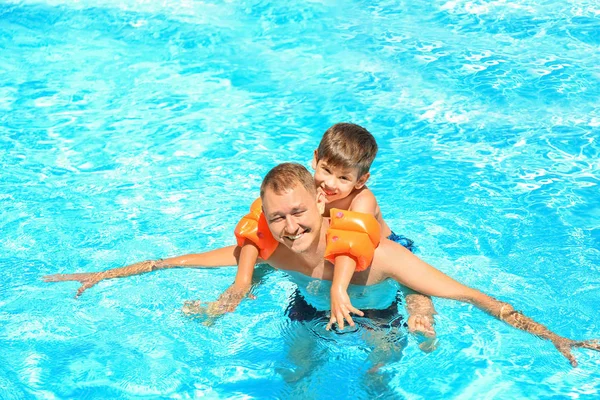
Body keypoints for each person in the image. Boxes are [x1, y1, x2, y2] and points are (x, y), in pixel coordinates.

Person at [44, 163, 600, 366]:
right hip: (308, 309)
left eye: (299, 212)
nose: (290, 226)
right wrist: (106, 274)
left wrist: (555, 338)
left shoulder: (379, 256)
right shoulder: (275, 250)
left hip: (379, 316)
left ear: (321, 204)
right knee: (297, 372)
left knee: (380, 376)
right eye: (277, 216)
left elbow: (476, 296)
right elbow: (181, 261)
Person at [234, 122, 421, 332]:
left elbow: (351, 243)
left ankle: (422, 315)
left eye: (343, 177)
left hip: (379, 252)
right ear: (315, 159)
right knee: (268, 273)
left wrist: (338, 288)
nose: (330, 184)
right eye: (327, 170)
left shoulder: (361, 200)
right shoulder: (304, 191)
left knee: (410, 289)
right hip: (329, 258)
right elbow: (257, 227)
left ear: (361, 180)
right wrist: (242, 280)